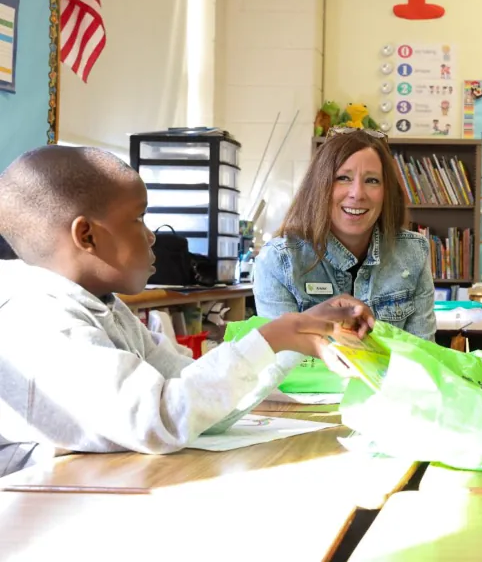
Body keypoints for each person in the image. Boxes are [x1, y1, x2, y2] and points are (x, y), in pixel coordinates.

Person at [0, 146, 374, 476]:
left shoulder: (105, 307)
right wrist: (275, 336)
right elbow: (158, 419)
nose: (152, 236)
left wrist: (293, 337)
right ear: (87, 236)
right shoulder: (40, 322)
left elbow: (204, 405)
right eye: (138, 218)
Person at [253, 127, 436, 340]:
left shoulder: (413, 252)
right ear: (319, 186)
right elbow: (279, 355)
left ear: (386, 192)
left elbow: (422, 354)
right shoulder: (278, 260)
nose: (357, 193)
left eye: (372, 180)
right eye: (343, 178)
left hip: (391, 375)